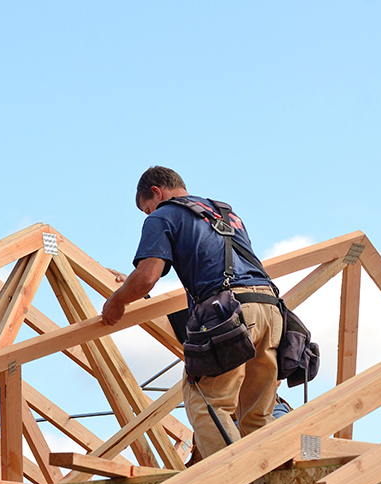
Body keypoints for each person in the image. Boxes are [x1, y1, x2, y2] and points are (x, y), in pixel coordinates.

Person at [102, 166, 282, 460]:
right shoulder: (224, 213)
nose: (149, 216)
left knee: (206, 402)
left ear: (157, 193)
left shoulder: (164, 215)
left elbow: (148, 275)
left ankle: (234, 482)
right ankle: (267, 480)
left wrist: (118, 301)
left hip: (229, 312)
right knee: (255, 414)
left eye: (147, 209)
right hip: (269, 309)